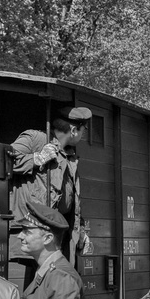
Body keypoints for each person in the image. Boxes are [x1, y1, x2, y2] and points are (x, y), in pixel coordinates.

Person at [10, 106, 93, 262]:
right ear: (74, 130)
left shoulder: (69, 156)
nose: (83, 135)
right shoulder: (36, 139)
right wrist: (37, 158)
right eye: (84, 130)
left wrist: (80, 230)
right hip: (31, 235)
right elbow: (4, 160)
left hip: (55, 238)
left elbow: (72, 201)